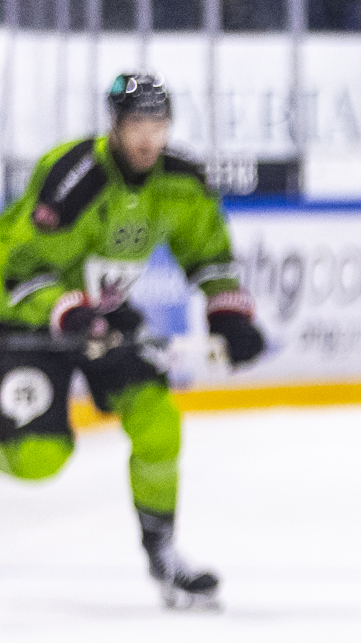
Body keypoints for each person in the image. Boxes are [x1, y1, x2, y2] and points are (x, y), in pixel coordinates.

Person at [0, 73, 261, 607]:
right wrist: (66, 310)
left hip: (105, 322)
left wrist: (227, 313)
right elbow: (17, 270)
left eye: (157, 123)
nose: (147, 136)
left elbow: (208, 253)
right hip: (28, 322)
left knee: (158, 420)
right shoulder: (73, 178)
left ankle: (163, 553)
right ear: (115, 125)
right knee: (38, 459)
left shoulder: (181, 182)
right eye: (136, 123)